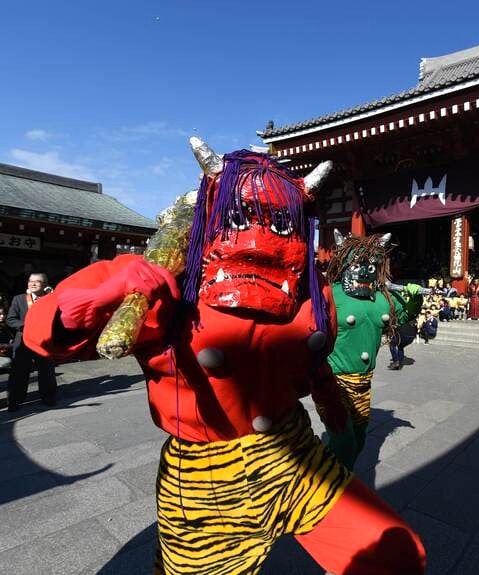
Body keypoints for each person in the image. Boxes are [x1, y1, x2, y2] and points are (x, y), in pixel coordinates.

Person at [22, 144, 425, 574]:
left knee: (396, 554)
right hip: (207, 479)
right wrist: (105, 291)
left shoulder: (311, 291)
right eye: (240, 216)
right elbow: (45, 333)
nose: (261, 235)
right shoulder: (171, 279)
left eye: (280, 222)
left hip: (296, 455)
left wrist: (335, 413)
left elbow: (312, 362)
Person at [322, 230, 408, 469]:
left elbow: (405, 313)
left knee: (359, 439)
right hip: (332, 381)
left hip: (363, 383)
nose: (362, 271)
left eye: (369, 266)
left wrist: (415, 298)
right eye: (356, 264)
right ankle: (331, 489)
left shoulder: (382, 298)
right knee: (343, 440)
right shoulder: (329, 294)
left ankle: (333, 477)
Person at [5, 273, 57, 410]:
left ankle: (48, 398)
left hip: (44, 341)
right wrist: (26, 326)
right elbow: (10, 319)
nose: (32, 284)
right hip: (23, 342)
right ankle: (15, 401)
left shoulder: (51, 299)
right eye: (30, 281)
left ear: (45, 285)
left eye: (37, 282)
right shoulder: (19, 299)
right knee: (19, 372)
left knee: (47, 371)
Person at [0, 306, 15, 371]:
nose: (2, 316)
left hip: (7, 353)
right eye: (0, 314)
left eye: (3, 314)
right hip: (2, 354)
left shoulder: (7, 326)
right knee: (8, 361)